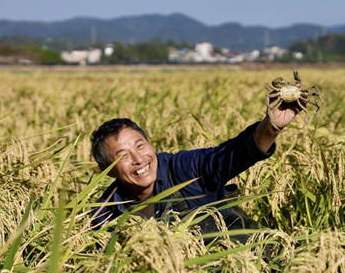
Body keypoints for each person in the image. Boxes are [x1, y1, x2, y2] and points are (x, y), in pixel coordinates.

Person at [90, 92, 302, 232]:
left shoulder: (182, 169)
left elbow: (230, 155)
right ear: (105, 170)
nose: (138, 160)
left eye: (140, 146)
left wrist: (272, 127)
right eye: (123, 156)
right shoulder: (105, 213)